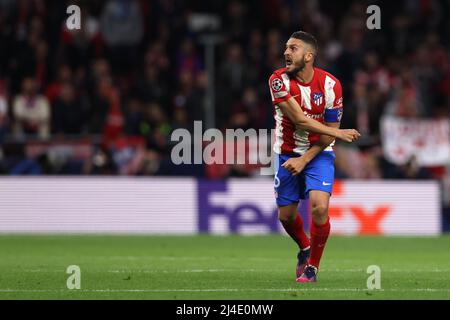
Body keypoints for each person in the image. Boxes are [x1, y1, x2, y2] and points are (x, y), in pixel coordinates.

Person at [268, 31, 360, 283]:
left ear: (309, 56)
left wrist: (306, 158)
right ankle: (305, 246)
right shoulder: (278, 80)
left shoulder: (332, 85)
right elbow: (299, 120)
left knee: (319, 207)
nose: (286, 52)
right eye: (286, 47)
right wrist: (338, 132)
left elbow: (326, 138)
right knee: (285, 216)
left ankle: (312, 268)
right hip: (286, 153)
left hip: (319, 153)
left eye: (293, 48)